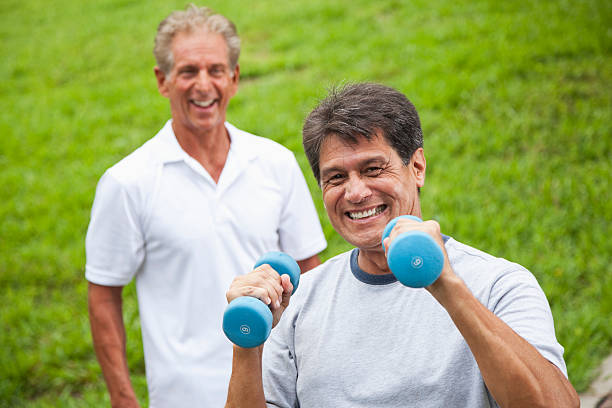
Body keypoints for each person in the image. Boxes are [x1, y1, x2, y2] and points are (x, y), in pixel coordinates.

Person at [225, 82, 580, 407]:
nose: (356, 192)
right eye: (336, 177)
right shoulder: (300, 302)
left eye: (374, 169)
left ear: (418, 167)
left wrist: (447, 286)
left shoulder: (500, 284)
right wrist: (247, 348)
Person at [85, 5, 326, 408]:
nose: (203, 85)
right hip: (185, 397)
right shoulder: (128, 182)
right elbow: (103, 293)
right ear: (162, 81)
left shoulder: (276, 163)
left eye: (215, 70)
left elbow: (308, 272)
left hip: (277, 388)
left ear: (234, 78)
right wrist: (123, 398)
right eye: (188, 71)